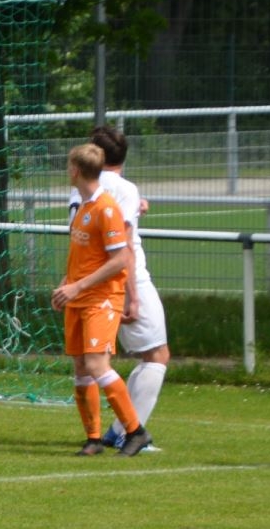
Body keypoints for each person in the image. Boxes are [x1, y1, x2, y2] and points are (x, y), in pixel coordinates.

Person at [69, 127, 168, 451]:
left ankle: (106, 434)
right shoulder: (121, 192)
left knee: (88, 364)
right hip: (121, 280)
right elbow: (122, 248)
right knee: (155, 354)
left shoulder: (82, 193)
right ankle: (129, 431)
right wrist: (133, 296)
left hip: (87, 282)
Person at [56, 143, 151, 456]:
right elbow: (85, 256)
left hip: (101, 298)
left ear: (75, 170)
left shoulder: (106, 208)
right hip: (79, 296)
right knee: (81, 367)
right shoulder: (84, 206)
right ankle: (93, 438)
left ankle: (136, 431)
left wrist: (78, 286)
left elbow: (120, 258)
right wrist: (66, 285)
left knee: (97, 364)